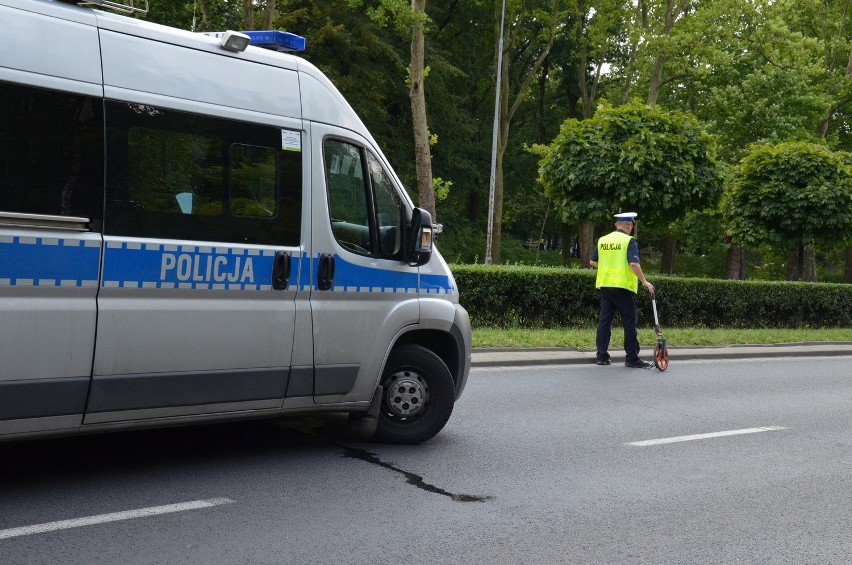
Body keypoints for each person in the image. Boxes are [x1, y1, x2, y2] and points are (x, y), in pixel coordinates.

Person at [589, 212, 655, 368]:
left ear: (616, 225)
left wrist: (608, 268)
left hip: (605, 286)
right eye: (631, 226)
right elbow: (634, 264)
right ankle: (632, 358)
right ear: (629, 226)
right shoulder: (629, 241)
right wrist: (644, 282)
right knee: (629, 323)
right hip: (623, 288)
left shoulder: (603, 240)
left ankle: (602, 356)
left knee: (604, 321)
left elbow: (592, 262)